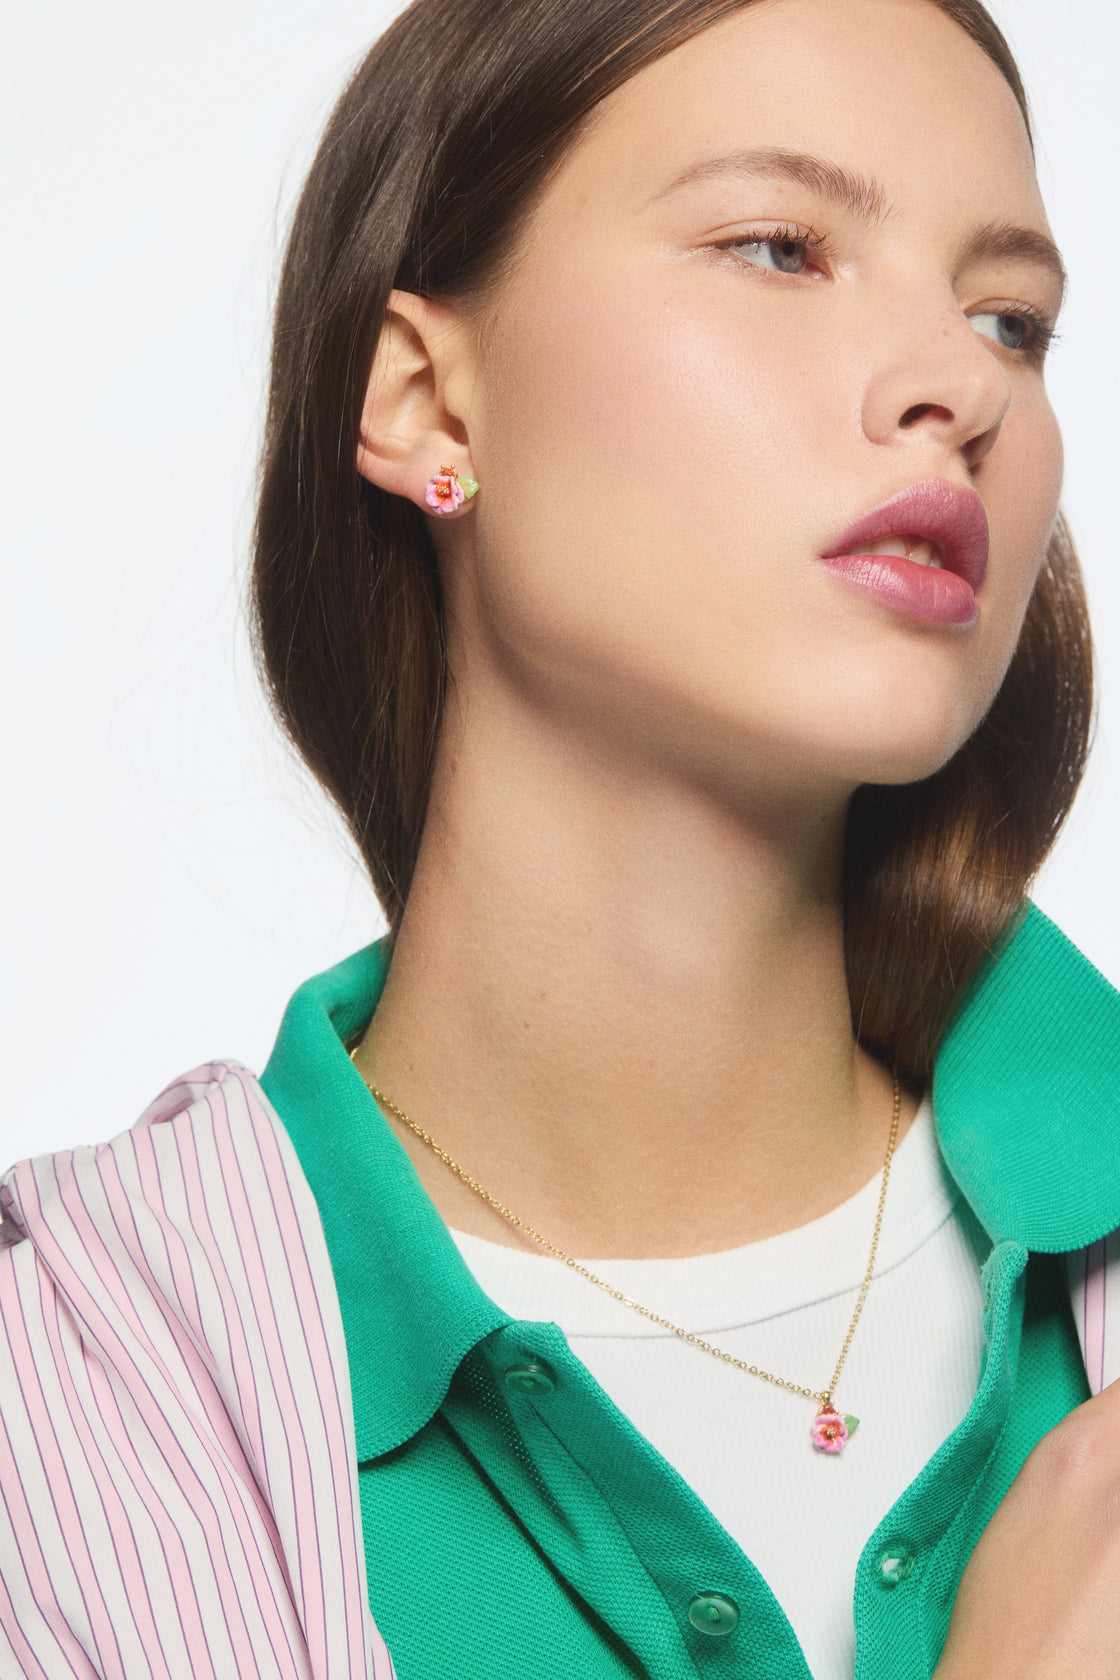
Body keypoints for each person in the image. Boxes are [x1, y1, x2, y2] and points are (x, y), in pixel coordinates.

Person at [3, 0, 1120, 1675]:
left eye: (1011, 318)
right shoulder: (69, 1394)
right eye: (780, 245)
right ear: (428, 406)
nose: (959, 380)